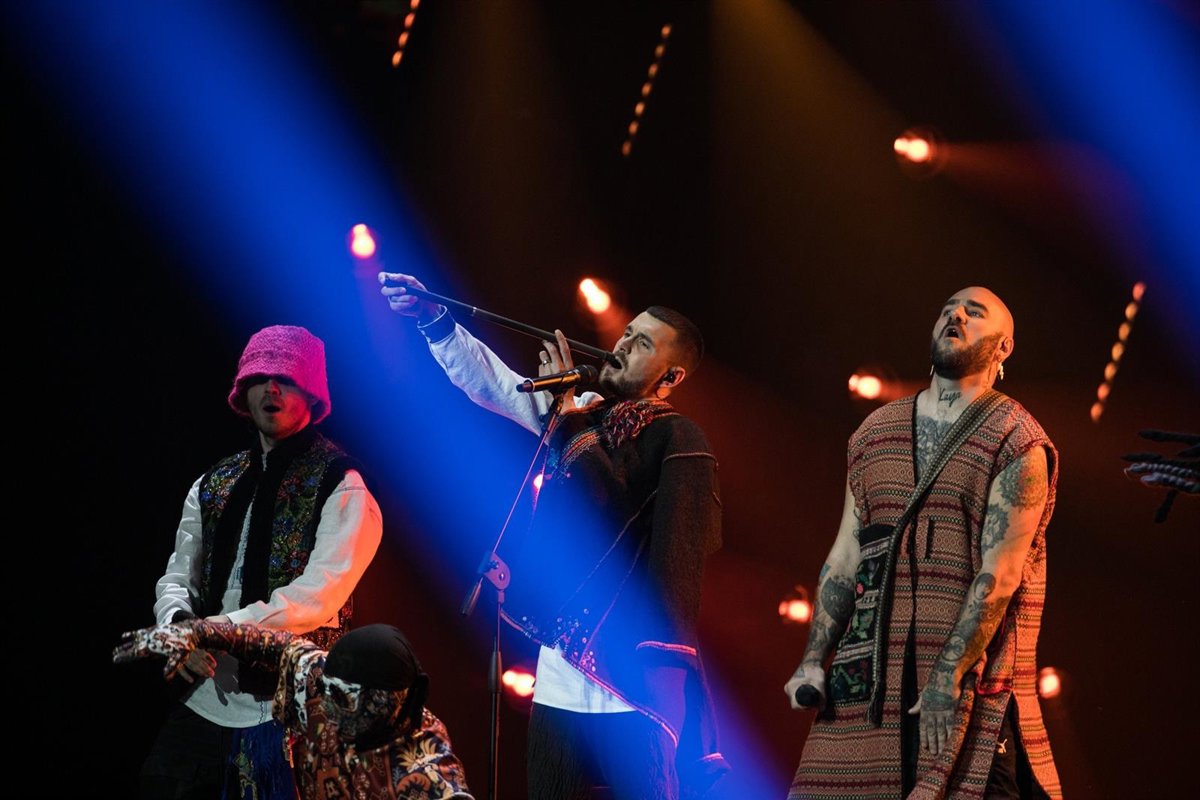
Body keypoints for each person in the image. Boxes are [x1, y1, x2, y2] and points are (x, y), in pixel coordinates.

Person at [380, 273, 727, 800]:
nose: (622, 345)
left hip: (632, 674)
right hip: (562, 665)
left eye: (643, 343)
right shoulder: (581, 410)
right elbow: (497, 385)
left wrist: (567, 417)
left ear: (671, 376)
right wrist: (434, 319)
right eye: (627, 332)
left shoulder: (677, 437)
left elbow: (620, 517)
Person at [784, 287, 1062, 799]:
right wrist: (812, 659)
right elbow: (845, 555)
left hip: (966, 679)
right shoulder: (875, 432)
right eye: (948, 309)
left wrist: (947, 675)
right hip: (868, 675)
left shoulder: (1017, 438)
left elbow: (1000, 573)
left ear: (1004, 347)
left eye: (974, 313)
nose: (956, 316)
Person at [141, 324, 384, 799]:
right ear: (243, 391)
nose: (272, 388)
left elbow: (315, 598)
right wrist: (178, 627)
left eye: (287, 378)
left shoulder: (343, 485)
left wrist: (212, 630)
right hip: (203, 696)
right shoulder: (215, 481)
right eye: (261, 377)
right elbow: (178, 574)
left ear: (311, 394)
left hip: (288, 710)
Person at [116, 621, 474, 800]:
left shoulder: (427, 769)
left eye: (345, 697)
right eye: (327, 690)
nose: (328, 706)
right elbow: (270, 643)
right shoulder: (321, 681)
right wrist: (193, 631)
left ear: (395, 700)